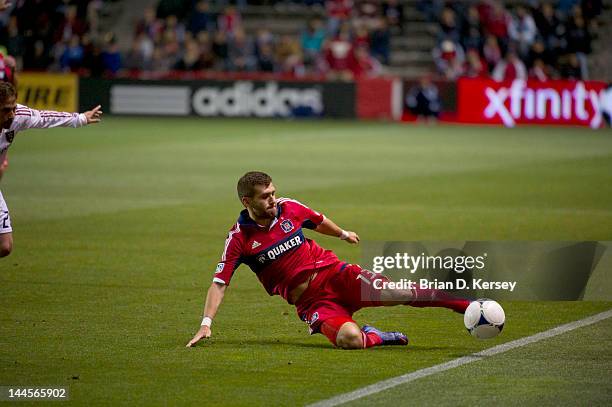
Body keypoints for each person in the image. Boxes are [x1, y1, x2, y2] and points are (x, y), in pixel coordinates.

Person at [186, 171, 469, 349]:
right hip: (313, 303)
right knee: (350, 340)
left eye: (273, 193)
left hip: (336, 274)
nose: (273, 200)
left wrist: (343, 233)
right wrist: (206, 322)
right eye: (265, 197)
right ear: (247, 202)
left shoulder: (290, 208)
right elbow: (219, 283)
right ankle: (379, 336)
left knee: (398, 292)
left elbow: (317, 221)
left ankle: (466, 305)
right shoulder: (238, 239)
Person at [0, 82, 102, 257]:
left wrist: (81, 119)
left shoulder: (18, 117)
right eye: (6, 110)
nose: (12, 114)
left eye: (14, 108)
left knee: (5, 246)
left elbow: (44, 117)